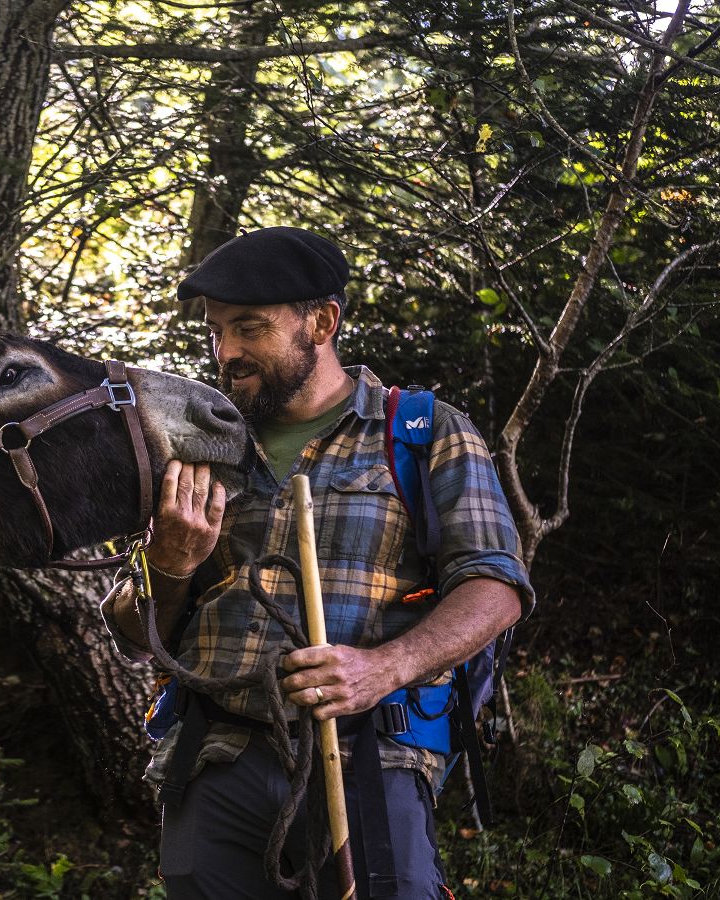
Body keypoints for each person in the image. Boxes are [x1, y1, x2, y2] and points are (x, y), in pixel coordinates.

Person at [101, 226, 534, 899]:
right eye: (216, 332)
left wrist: (380, 669)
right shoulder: (200, 449)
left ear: (322, 321)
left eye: (248, 328)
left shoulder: (422, 432)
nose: (227, 353)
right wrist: (171, 565)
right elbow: (133, 633)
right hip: (217, 761)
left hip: (369, 756)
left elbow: (496, 586)